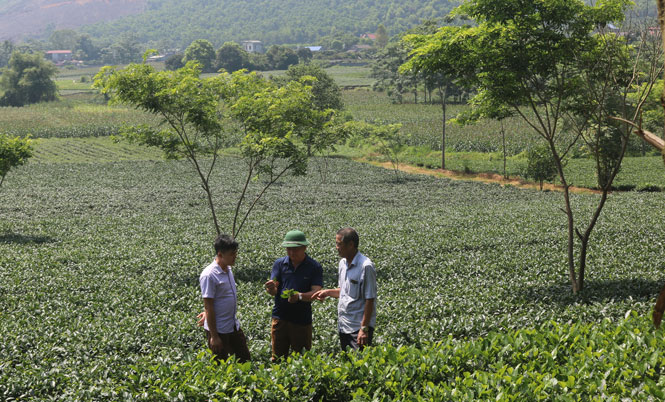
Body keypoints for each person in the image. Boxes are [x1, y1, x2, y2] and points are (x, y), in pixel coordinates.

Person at [312, 227, 377, 351]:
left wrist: (364, 329)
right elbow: (344, 291)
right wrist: (327, 292)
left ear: (351, 245)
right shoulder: (342, 264)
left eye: (339, 244)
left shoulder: (366, 266)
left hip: (358, 327)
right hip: (344, 325)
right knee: (347, 363)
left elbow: (370, 299)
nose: (336, 247)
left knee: (359, 364)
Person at [264, 230, 323, 361]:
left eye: (295, 249)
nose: (291, 253)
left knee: (302, 359)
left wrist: (299, 296)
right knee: (277, 358)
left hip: (302, 321)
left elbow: (316, 292)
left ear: (305, 248)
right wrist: (271, 288)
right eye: (288, 249)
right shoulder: (279, 264)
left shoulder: (314, 267)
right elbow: (274, 291)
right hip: (280, 318)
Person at [198, 234, 250, 362]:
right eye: (232, 254)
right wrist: (214, 336)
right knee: (219, 363)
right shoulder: (209, 275)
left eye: (235, 253)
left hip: (232, 325)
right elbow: (208, 305)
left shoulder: (228, 269)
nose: (235, 256)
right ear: (220, 255)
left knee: (245, 359)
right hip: (218, 329)